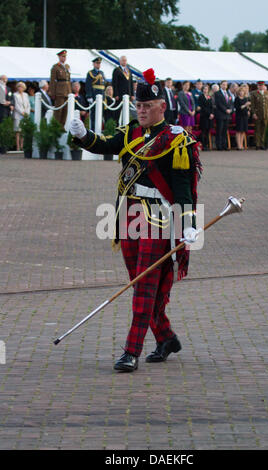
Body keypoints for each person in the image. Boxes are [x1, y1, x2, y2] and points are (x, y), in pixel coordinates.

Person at [69, 68, 202, 373]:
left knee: (144, 283)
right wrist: (82, 135)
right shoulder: (131, 133)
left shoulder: (176, 140)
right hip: (127, 214)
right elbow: (104, 145)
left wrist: (188, 223)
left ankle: (131, 350)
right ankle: (166, 337)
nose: (141, 111)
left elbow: (183, 187)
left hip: (159, 218)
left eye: (147, 107)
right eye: (139, 107)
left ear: (162, 107)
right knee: (140, 282)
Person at [49, 50, 71, 126]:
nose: (64, 58)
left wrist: (70, 91)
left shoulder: (67, 66)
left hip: (67, 91)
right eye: (62, 56)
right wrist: (52, 92)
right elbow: (52, 81)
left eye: (65, 56)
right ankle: (56, 126)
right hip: (59, 91)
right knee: (59, 110)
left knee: (65, 110)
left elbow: (69, 79)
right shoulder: (55, 67)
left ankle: (62, 126)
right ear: (59, 57)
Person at [85, 57, 106, 131]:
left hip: (102, 95)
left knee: (101, 114)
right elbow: (88, 85)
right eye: (97, 63)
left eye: (99, 63)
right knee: (94, 114)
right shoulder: (90, 73)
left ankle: (99, 129)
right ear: (93, 64)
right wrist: (89, 96)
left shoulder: (102, 73)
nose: (98, 64)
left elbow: (104, 85)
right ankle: (93, 130)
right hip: (94, 95)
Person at [112, 56, 134, 123]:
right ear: (120, 61)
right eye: (123, 60)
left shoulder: (128, 70)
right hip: (120, 94)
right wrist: (115, 94)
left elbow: (131, 83)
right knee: (118, 112)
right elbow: (114, 83)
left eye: (125, 60)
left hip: (128, 94)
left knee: (126, 112)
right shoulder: (116, 70)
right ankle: (116, 125)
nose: (124, 62)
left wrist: (132, 94)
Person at [250, 80, 268, 150]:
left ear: (264, 86)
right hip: (258, 114)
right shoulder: (254, 93)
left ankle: (262, 143)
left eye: (262, 85)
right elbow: (252, 105)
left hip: (265, 114)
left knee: (263, 129)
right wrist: (253, 113)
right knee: (257, 129)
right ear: (257, 86)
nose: (261, 86)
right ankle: (257, 144)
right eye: (259, 85)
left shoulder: (267, 93)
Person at [214, 80, 233, 151]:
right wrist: (225, 110)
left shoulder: (228, 93)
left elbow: (231, 103)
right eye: (223, 85)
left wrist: (230, 109)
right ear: (221, 85)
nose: (225, 86)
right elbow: (218, 103)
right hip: (220, 114)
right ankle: (219, 145)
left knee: (225, 131)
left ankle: (224, 145)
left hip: (227, 115)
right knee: (219, 130)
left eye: (226, 85)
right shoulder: (217, 93)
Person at [13, 81, 30, 151]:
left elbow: (28, 105)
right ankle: (18, 146)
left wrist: (27, 113)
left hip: (25, 115)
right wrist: (22, 112)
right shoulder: (15, 95)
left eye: (22, 87)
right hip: (18, 114)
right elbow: (16, 105)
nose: (20, 88)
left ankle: (22, 145)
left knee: (23, 131)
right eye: (19, 87)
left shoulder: (26, 95)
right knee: (18, 131)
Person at [198, 84, 214, 151]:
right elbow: (203, 107)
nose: (205, 90)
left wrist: (212, 113)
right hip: (204, 116)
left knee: (208, 131)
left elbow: (212, 106)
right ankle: (203, 145)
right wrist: (209, 113)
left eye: (207, 89)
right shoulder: (201, 97)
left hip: (209, 117)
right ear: (202, 90)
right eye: (204, 89)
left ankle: (207, 145)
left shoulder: (209, 97)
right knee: (203, 131)